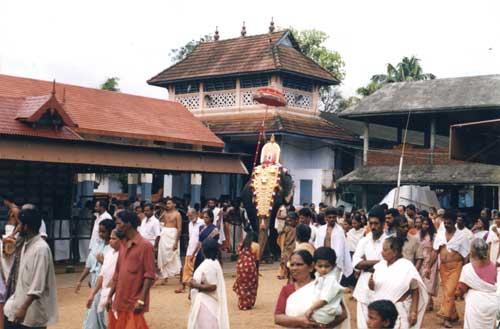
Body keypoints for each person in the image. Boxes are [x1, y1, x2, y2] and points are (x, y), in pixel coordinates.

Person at [4, 207, 58, 328]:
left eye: (20, 224)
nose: (18, 227)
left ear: (26, 227)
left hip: (30, 314)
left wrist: (23, 308)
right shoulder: (26, 244)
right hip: (17, 307)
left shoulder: (41, 249)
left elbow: (37, 285)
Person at [106, 210, 155, 329]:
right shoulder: (123, 244)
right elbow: (117, 273)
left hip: (134, 300)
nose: (116, 227)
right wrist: (110, 296)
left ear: (128, 224)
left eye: (119, 223)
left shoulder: (145, 246)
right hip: (120, 299)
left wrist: (141, 300)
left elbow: (149, 276)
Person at [274, 250, 348, 328]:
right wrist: (299, 321)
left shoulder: (325, 285)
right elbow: (278, 318)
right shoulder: (287, 289)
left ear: (311, 267)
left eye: (299, 264)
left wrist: (324, 326)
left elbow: (343, 314)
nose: (294, 268)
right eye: (292, 265)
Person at [369, 236, 428, 329]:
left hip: (399, 311)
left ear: (395, 252)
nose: (382, 252)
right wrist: (371, 284)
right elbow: (374, 288)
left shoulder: (407, 267)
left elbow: (415, 290)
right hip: (381, 313)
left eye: (385, 250)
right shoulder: (380, 266)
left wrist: (413, 312)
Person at [430, 209, 470, 328]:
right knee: (447, 292)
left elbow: (466, 255)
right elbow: (435, 252)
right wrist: (428, 267)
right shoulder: (440, 234)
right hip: (443, 268)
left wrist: (465, 272)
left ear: (454, 223)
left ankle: (446, 318)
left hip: (456, 268)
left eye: (449, 223)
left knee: (450, 292)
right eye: (445, 223)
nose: (447, 225)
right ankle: (453, 315)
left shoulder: (462, 236)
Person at [352, 206, 387, 329]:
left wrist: (366, 264)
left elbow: (388, 265)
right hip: (363, 288)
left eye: (376, 223)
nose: (373, 227)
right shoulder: (364, 241)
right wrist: (378, 263)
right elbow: (356, 263)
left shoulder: (388, 242)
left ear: (383, 224)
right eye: (371, 223)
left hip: (382, 287)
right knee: (362, 324)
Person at [79, 219, 115, 329]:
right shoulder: (97, 244)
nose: (100, 234)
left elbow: (115, 268)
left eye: (103, 232)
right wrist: (81, 280)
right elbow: (89, 265)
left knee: (101, 307)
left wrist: (103, 262)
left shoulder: (114, 247)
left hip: (107, 282)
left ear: (110, 231)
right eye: (99, 231)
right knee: (93, 308)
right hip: (95, 279)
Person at [187, 238, 230, 329]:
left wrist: (195, 285)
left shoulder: (209, 265)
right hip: (207, 303)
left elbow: (213, 286)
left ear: (204, 250)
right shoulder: (214, 263)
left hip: (206, 303)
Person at [456, 238, 497, 329]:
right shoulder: (493, 266)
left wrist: (458, 294)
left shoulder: (467, 269)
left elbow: (461, 290)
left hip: (476, 304)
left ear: (472, 252)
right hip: (493, 304)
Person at [85, 228, 120, 329]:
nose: (110, 241)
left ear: (122, 240)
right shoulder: (109, 254)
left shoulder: (123, 255)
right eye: (110, 238)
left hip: (118, 294)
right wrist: (92, 294)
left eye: (114, 238)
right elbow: (102, 275)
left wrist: (110, 294)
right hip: (106, 292)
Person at [304, 247, 344, 325]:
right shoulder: (319, 276)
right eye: (320, 266)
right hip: (321, 309)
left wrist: (311, 309)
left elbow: (324, 300)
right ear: (314, 265)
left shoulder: (331, 280)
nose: (323, 269)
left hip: (325, 313)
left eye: (327, 266)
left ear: (334, 265)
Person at [314, 207, 353, 279]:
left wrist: (336, 262)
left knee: (332, 284)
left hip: (334, 262)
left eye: (334, 217)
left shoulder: (340, 230)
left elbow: (341, 249)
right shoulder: (321, 229)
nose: (332, 219)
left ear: (336, 217)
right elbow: (317, 245)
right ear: (325, 218)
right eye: (330, 217)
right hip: (321, 260)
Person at [175, 208, 204, 294]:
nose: (190, 217)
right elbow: (191, 236)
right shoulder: (190, 224)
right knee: (186, 269)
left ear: (195, 214)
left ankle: (196, 288)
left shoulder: (202, 223)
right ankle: (183, 286)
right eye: (188, 216)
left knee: (196, 270)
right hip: (190, 249)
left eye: (191, 215)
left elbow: (201, 239)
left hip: (198, 250)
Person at [157, 198, 182, 284]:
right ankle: (165, 276)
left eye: (169, 203)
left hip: (172, 235)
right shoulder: (164, 213)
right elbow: (160, 222)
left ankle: (179, 275)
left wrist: (176, 242)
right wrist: (162, 212)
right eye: (167, 204)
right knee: (163, 255)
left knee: (174, 255)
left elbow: (179, 229)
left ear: (174, 205)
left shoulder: (177, 214)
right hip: (164, 235)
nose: (167, 205)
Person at [233, 232, 259, 310]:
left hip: (240, 266)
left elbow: (238, 255)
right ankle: (249, 303)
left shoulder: (241, 244)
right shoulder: (256, 245)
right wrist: (257, 271)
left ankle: (242, 303)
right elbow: (257, 260)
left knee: (242, 285)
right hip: (251, 267)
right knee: (251, 285)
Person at [418, 216, 438, 312]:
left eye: (427, 224)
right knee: (422, 281)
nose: (424, 226)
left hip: (431, 260)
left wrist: (430, 263)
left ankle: (427, 301)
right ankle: (429, 302)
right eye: (423, 224)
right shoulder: (419, 235)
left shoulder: (433, 236)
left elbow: (435, 249)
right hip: (421, 260)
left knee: (429, 282)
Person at [278, 212, 298, 281]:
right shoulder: (286, 229)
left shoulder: (297, 228)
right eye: (287, 220)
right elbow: (281, 240)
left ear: (296, 220)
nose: (289, 222)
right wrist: (282, 248)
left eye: (290, 220)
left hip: (294, 248)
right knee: (284, 261)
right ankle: (282, 273)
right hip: (287, 248)